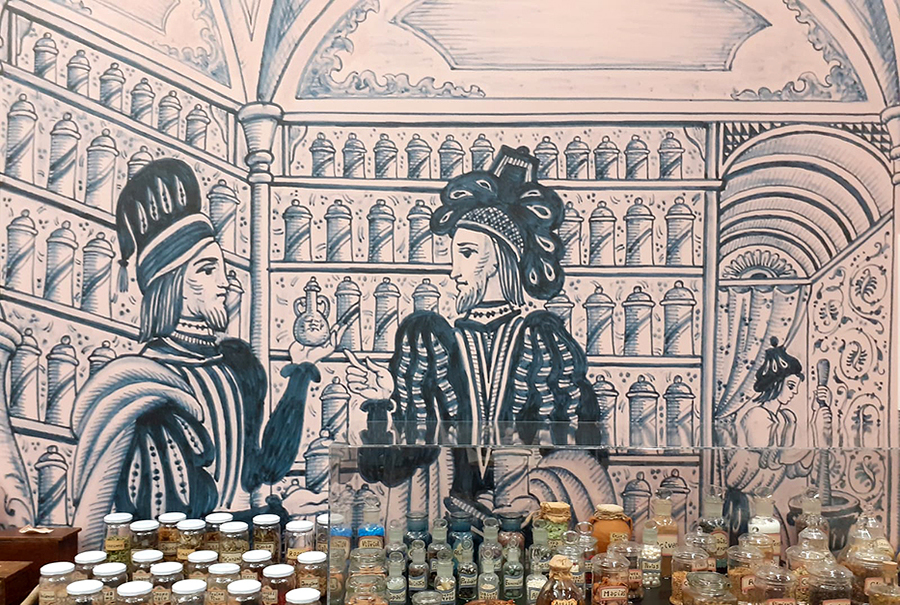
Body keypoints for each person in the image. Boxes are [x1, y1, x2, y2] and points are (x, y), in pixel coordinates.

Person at [69, 159, 332, 548]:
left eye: (222, 269)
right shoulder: (146, 388)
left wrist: (301, 372)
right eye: (208, 270)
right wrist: (275, 516)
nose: (224, 283)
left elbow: (263, 468)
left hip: (243, 549)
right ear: (171, 283)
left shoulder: (236, 365)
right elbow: (169, 525)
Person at [345, 145, 610, 517]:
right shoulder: (431, 340)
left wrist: (535, 497)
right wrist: (382, 404)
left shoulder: (543, 341)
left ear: (499, 259)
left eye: (466, 253)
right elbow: (389, 472)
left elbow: (581, 453)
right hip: (449, 524)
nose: (454, 271)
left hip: (527, 524)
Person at [723, 337, 832, 538]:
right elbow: (777, 457)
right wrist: (815, 433)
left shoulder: (786, 418)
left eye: (796, 386)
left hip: (765, 507)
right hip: (745, 508)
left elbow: (796, 468)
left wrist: (817, 418)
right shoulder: (755, 417)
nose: (794, 392)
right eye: (790, 385)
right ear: (776, 383)